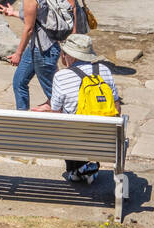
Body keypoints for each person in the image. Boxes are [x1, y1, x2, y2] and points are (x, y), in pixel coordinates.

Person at [31, 33, 120, 185]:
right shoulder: (104, 70)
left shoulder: (61, 76)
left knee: (66, 125)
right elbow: (116, 106)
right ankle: (82, 169)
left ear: (70, 55)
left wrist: (46, 109)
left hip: (74, 140)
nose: (61, 55)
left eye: (63, 52)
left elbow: (57, 113)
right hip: (105, 138)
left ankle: (77, 170)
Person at [0, 0, 59, 108]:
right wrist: (14, 13)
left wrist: (18, 53)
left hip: (44, 50)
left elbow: (29, 28)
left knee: (54, 95)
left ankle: (68, 121)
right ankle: (22, 119)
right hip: (37, 47)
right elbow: (35, 18)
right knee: (19, 82)